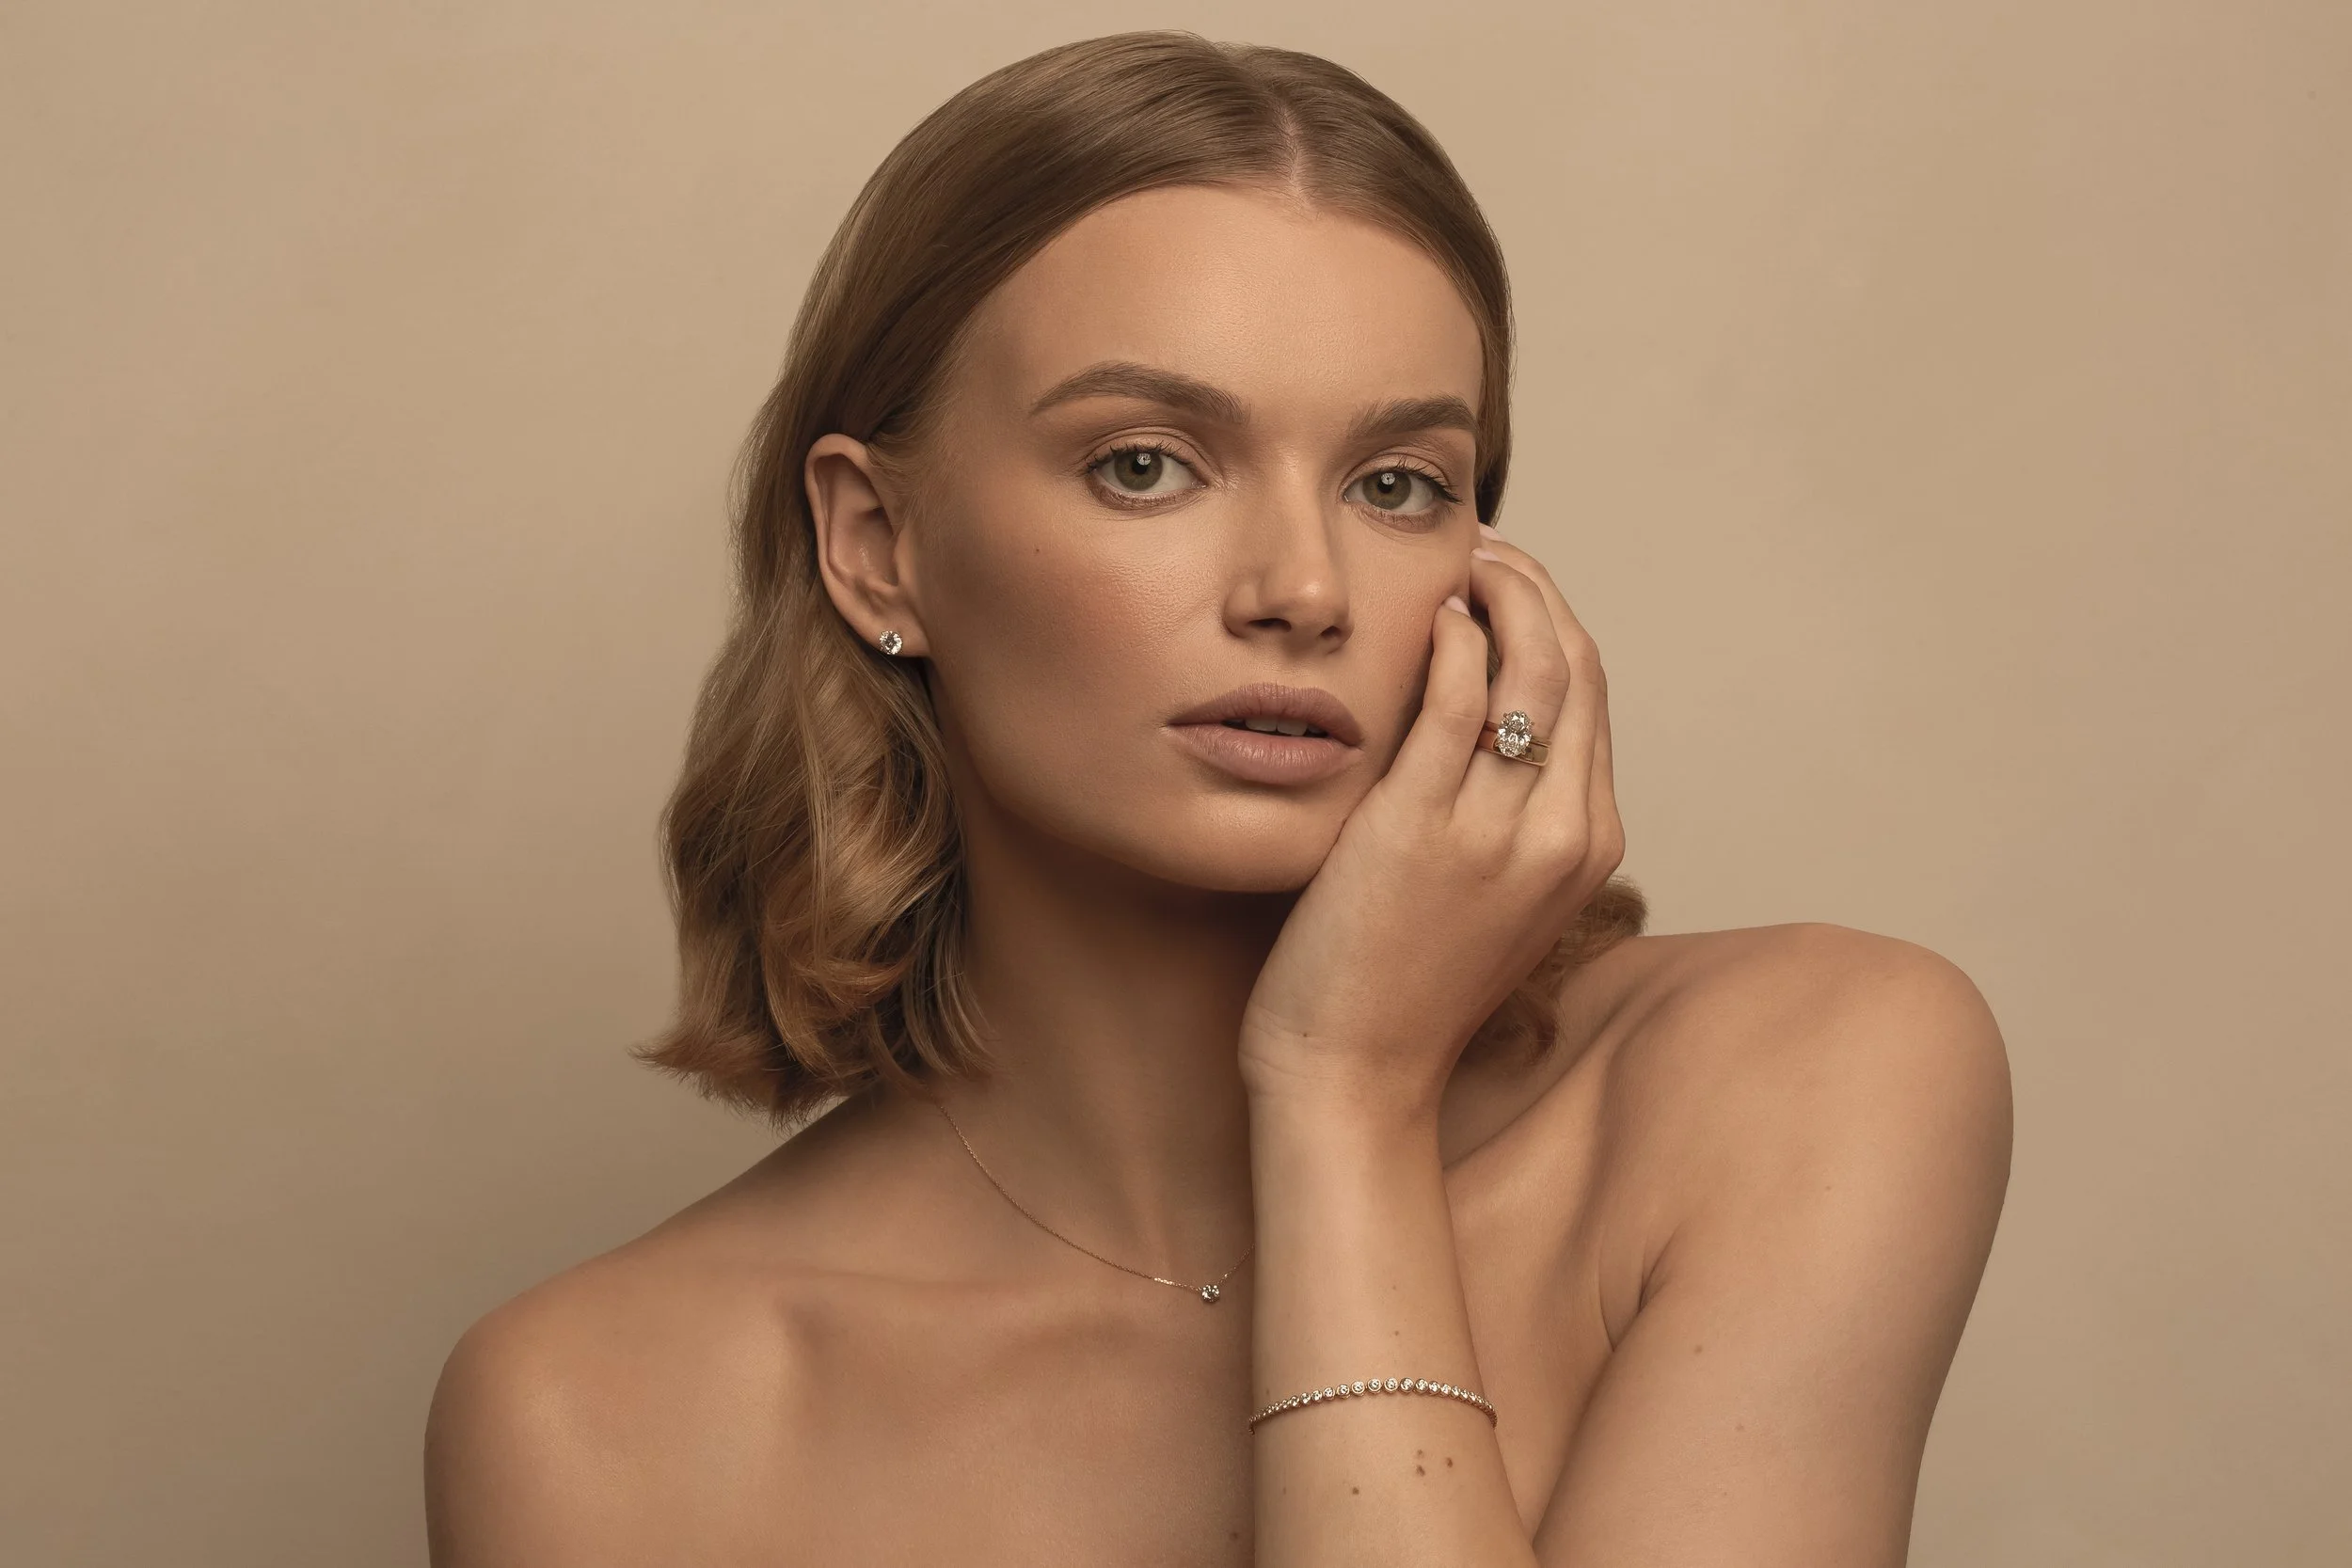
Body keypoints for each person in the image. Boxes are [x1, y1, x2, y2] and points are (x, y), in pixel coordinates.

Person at [424, 31, 2010, 1565]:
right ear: (875, 544)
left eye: (1397, 485)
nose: (1304, 590)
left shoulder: (1796, 1080)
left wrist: (1342, 1094)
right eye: (1145, 462)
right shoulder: (600, 1417)